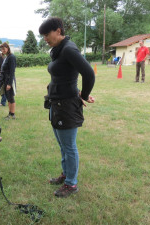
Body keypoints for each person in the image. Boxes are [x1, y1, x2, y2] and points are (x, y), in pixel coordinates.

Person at [39, 17, 95, 198]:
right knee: (63, 145)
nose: (45, 38)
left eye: (47, 34)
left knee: (69, 147)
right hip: (56, 104)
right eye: (43, 36)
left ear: (58, 30)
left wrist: (83, 95)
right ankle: (66, 175)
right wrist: (78, 90)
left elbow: (88, 73)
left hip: (66, 106)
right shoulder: (58, 50)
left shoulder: (69, 49)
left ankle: (71, 184)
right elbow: (67, 76)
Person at [0, 42, 16, 119]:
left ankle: (12, 114)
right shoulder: (6, 57)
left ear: (8, 48)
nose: (3, 50)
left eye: (4, 48)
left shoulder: (11, 57)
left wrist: (9, 84)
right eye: (2, 49)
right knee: (8, 97)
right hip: (5, 80)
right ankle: (9, 113)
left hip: (9, 80)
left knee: (11, 97)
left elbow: (12, 71)